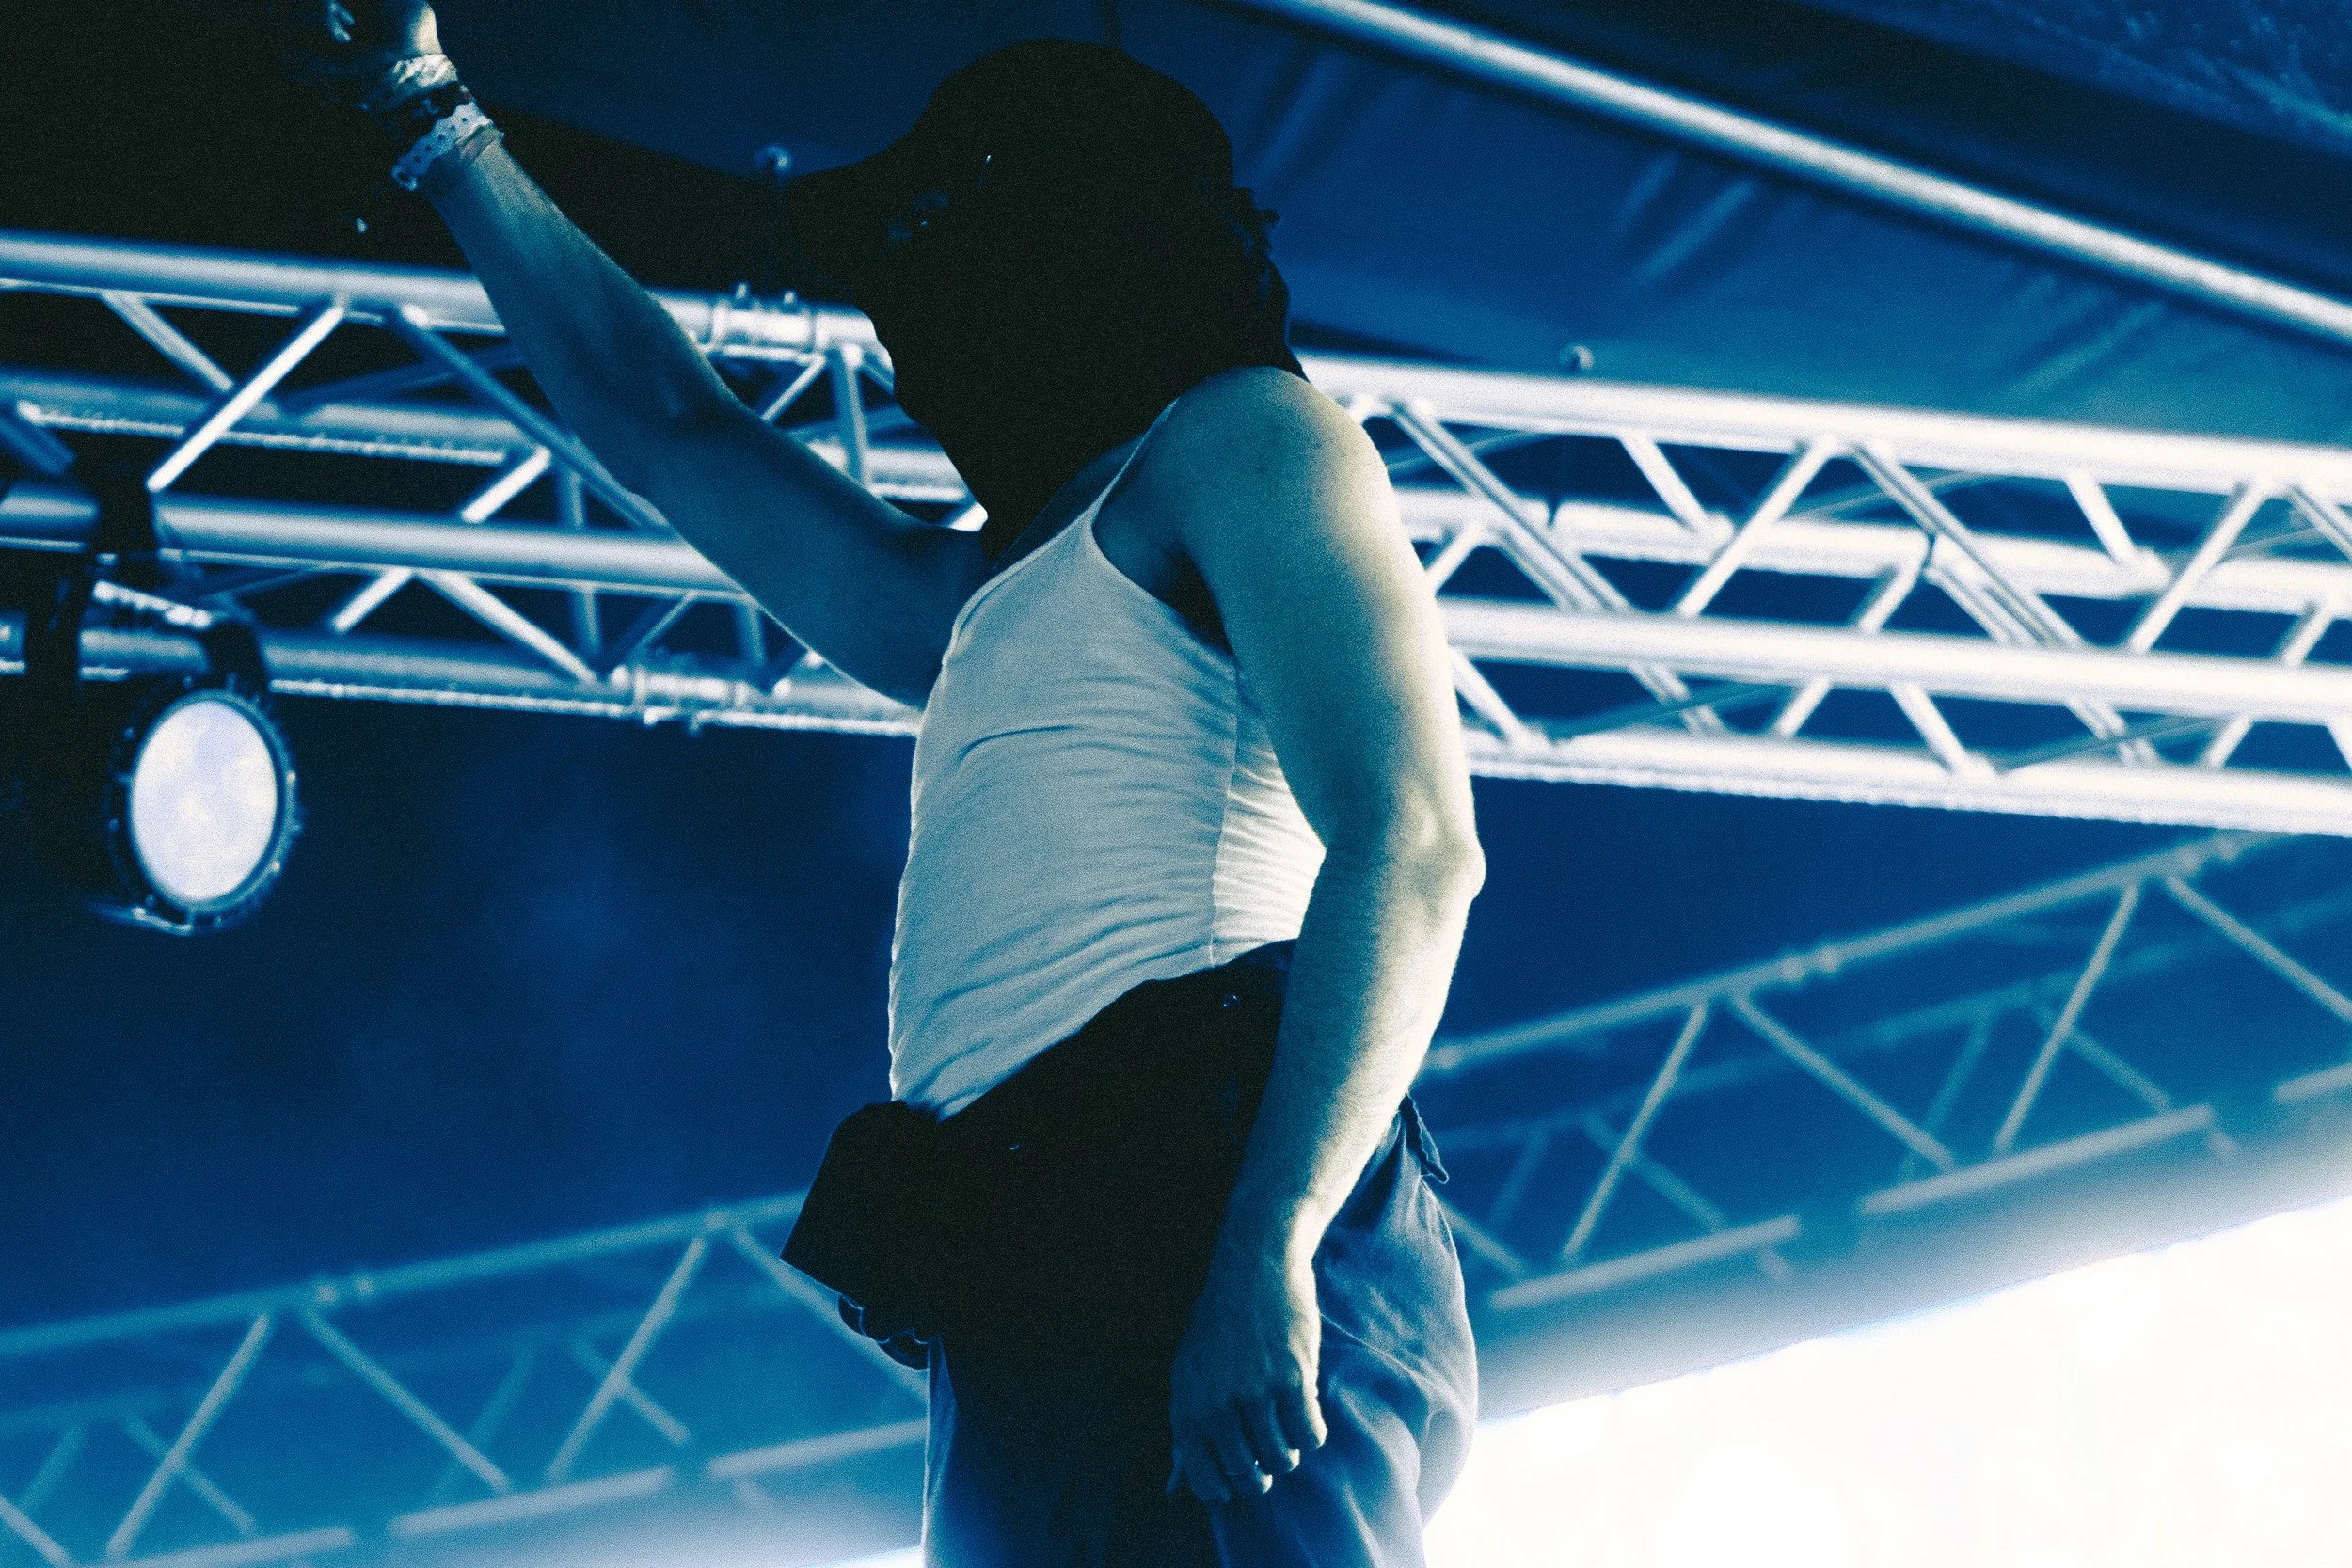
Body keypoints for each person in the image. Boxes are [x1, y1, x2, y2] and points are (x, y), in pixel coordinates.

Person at [282, 8, 1486, 1563]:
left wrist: (1273, 1243)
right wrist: (429, 114)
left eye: (961, 227)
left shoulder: (1246, 435)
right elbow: (672, 426)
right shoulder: (979, 592)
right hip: (1021, 1251)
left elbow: (1417, 846)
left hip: (1212, 1179)